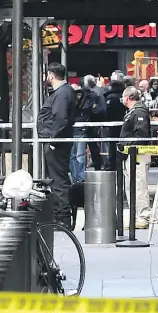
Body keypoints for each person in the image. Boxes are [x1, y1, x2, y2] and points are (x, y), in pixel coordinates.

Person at [37, 62, 76, 229]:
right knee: (57, 180)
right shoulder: (63, 92)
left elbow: (61, 118)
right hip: (57, 142)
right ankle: (61, 216)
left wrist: (53, 140)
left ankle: (63, 219)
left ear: (51, 75)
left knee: (59, 181)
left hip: (57, 144)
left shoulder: (61, 94)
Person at [118, 86, 152, 229]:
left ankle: (143, 216)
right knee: (131, 186)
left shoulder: (139, 112)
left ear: (127, 98)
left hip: (137, 154)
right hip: (131, 154)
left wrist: (127, 144)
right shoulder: (133, 112)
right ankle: (135, 216)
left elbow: (141, 134)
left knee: (138, 186)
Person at [102, 70, 127, 171]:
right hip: (124, 124)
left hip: (113, 125)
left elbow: (108, 112)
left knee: (112, 146)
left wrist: (105, 121)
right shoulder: (124, 96)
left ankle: (112, 165)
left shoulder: (111, 97)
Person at [82, 75, 107, 170]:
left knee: (95, 145)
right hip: (97, 120)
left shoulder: (94, 93)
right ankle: (98, 162)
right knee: (96, 145)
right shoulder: (99, 91)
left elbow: (97, 108)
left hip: (95, 121)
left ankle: (99, 163)